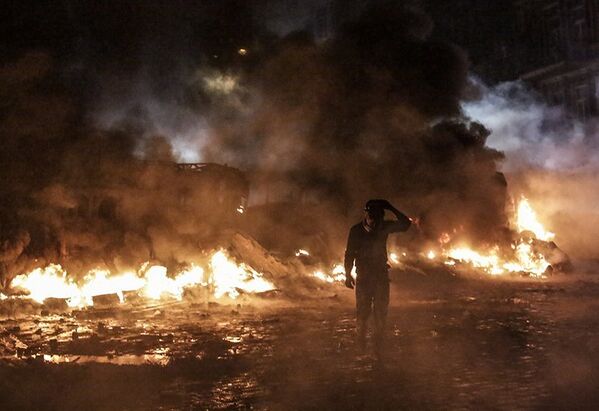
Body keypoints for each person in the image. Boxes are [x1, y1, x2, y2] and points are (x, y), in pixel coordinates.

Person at [344, 199, 412, 355]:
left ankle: (378, 346)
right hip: (364, 277)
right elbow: (349, 253)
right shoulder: (356, 231)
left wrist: (390, 206)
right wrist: (347, 274)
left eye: (379, 216)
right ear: (367, 214)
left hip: (381, 275)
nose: (376, 221)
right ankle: (360, 345)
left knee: (381, 311)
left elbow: (406, 224)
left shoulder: (384, 227)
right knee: (362, 312)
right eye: (373, 216)